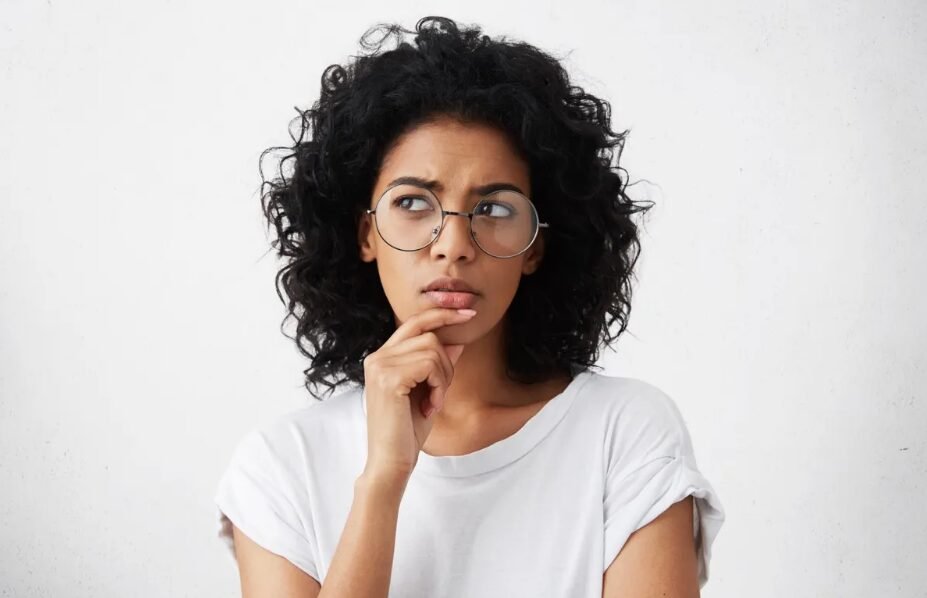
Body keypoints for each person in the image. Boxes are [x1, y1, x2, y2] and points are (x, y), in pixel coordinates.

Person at [214, 15, 725, 597]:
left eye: (495, 209)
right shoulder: (283, 464)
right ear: (365, 234)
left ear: (535, 248)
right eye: (413, 203)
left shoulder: (624, 432)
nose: (454, 244)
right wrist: (383, 479)